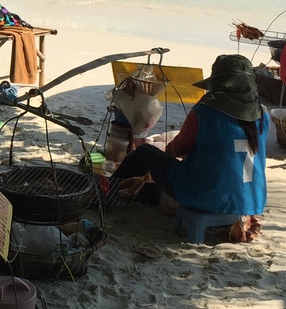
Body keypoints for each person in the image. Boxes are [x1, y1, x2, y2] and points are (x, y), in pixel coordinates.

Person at [112, 53, 269, 226]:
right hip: (252, 201)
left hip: (207, 195)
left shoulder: (206, 110)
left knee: (145, 153)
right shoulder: (262, 114)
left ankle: (107, 192)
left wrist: (164, 153)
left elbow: (179, 148)